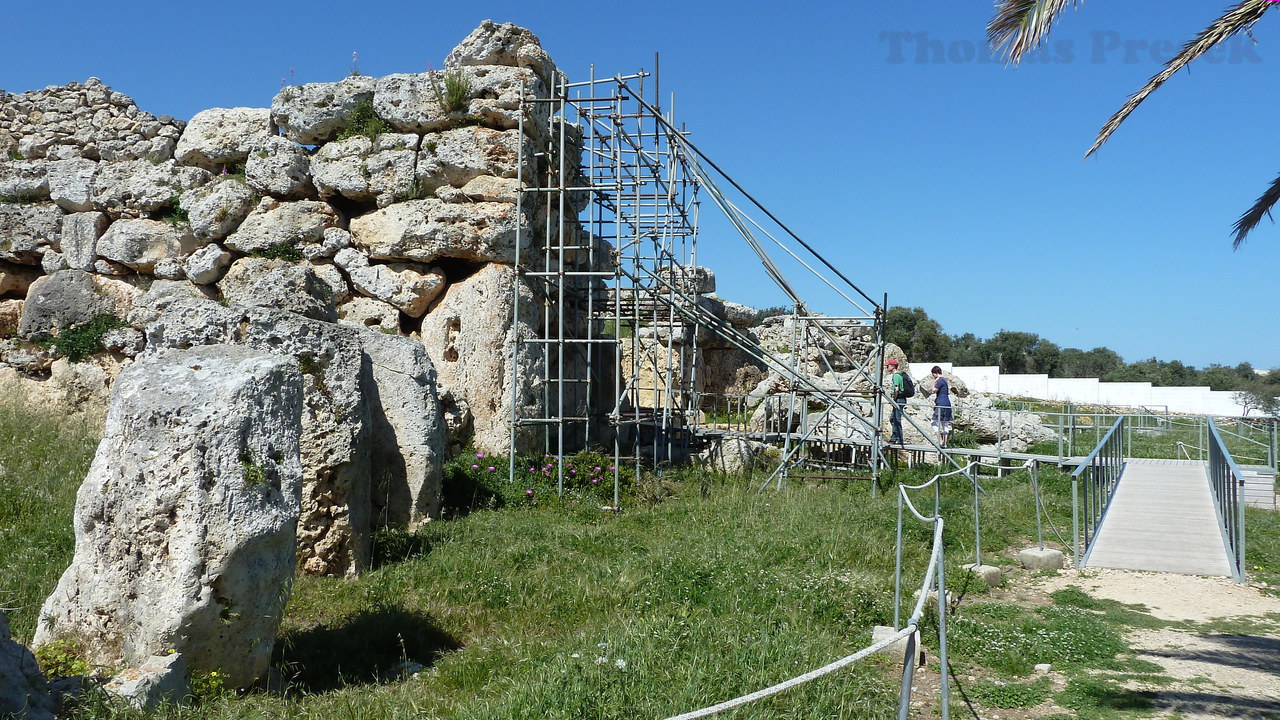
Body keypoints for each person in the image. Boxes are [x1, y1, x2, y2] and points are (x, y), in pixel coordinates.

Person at [930, 365, 953, 448]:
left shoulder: (939, 381)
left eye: (933, 375)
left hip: (941, 403)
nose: (933, 377)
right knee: (945, 423)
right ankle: (945, 443)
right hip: (947, 403)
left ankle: (940, 440)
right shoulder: (945, 380)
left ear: (936, 373)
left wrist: (934, 383)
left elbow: (934, 390)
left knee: (933, 421)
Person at [887, 358, 905, 445]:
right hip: (899, 399)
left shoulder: (896, 376)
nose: (887, 367)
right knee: (893, 418)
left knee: (896, 419)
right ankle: (895, 438)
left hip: (899, 399)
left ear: (893, 366)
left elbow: (897, 389)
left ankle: (899, 439)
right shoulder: (898, 375)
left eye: (888, 366)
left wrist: (893, 400)